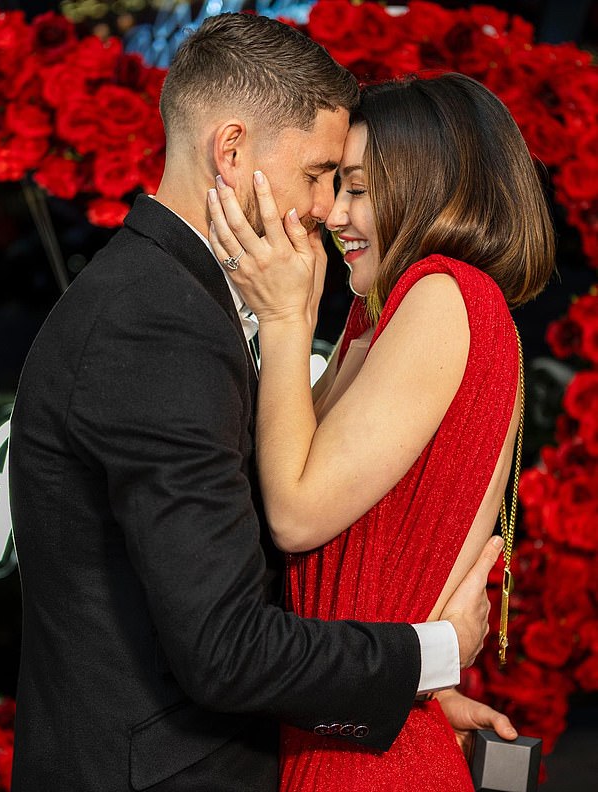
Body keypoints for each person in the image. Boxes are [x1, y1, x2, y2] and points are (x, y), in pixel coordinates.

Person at [9, 14, 510, 792]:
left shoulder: (170, 299)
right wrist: (431, 653)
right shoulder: (156, 322)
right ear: (231, 149)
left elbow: (230, 576)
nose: (324, 207)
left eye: (347, 185)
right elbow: (226, 647)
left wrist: (400, 696)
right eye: (319, 173)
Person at [207, 72, 555, 791]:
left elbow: (297, 512)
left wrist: (283, 322)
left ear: (434, 183)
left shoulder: (440, 292)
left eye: (360, 187)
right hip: (367, 727)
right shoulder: (393, 308)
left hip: (365, 760)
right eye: (337, 183)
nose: (334, 211)